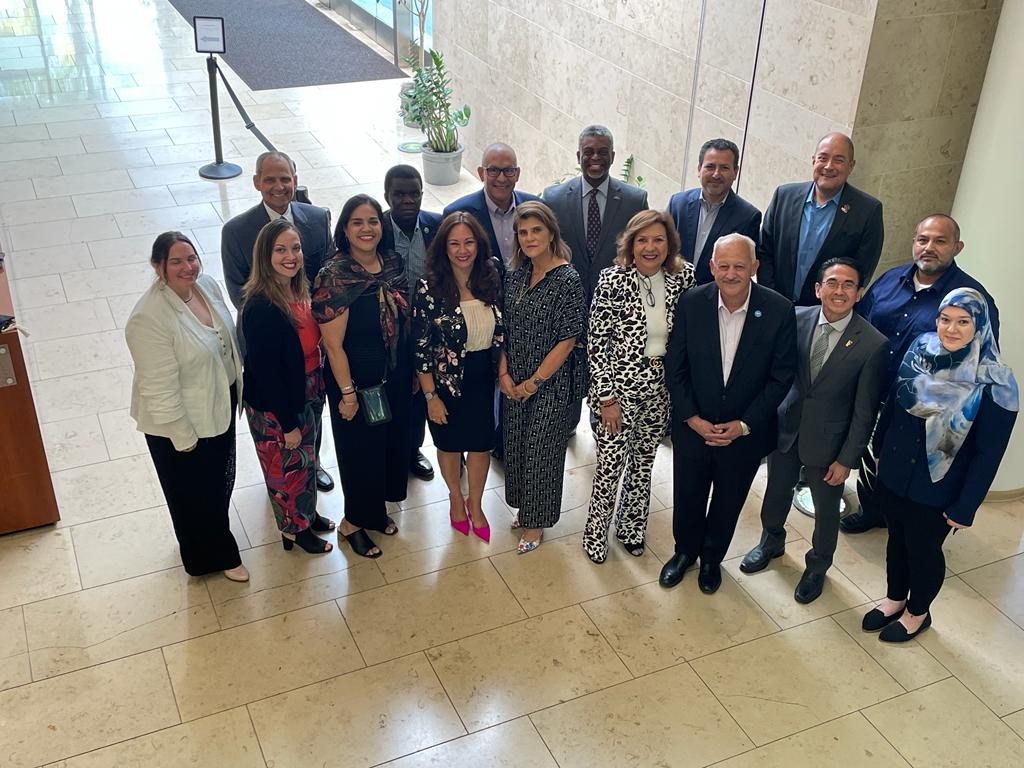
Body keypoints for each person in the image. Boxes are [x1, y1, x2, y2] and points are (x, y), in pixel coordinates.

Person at [862, 288, 1017, 642]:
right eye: (945, 319)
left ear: (980, 325)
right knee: (896, 539)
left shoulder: (996, 380)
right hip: (896, 471)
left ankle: (918, 612)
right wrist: (878, 451)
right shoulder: (920, 347)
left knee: (923, 550)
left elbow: (988, 453)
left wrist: (966, 506)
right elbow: (894, 404)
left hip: (940, 484)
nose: (951, 329)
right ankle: (894, 598)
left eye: (963, 321)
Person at [841, 214, 1001, 534]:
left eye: (940, 241)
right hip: (872, 390)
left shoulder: (972, 299)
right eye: (922, 240)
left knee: (904, 467)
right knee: (869, 454)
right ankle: (872, 510)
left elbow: (981, 363)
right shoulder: (889, 280)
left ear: (957, 246)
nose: (929, 247)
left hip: (924, 409)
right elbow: (858, 326)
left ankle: (899, 523)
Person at [740, 258, 888, 603]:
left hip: (831, 445)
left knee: (826, 513)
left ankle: (818, 566)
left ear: (859, 292)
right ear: (818, 289)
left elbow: (865, 411)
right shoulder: (795, 318)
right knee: (775, 496)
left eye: (848, 284)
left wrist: (847, 458)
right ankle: (770, 543)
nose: (839, 291)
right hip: (786, 432)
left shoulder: (871, 343)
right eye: (832, 283)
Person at [660, 233, 797, 593]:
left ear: (754, 267)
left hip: (745, 435)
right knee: (687, 495)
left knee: (728, 501)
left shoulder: (780, 310)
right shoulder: (691, 302)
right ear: (712, 267)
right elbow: (676, 367)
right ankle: (684, 553)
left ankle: (711, 561)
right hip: (694, 426)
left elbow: (781, 377)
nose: (731, 273)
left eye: (740, 266)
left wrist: (744, 424)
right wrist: (692, 418)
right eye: (724, 265)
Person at [126, 232, 248, 582]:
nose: (188, 267)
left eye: (191, 258)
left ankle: (207, 541)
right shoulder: (148, 318)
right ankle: (214, 556)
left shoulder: (205, 285)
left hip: (216, 404)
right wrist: (184, 438)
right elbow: (158, 388)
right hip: (181, 424)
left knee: (217, 482)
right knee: (194, 495)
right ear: (157, 267)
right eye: (176, 261)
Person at [582, 210, 695, 563]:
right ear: (631, 244)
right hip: (617, 392)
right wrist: (606, 398)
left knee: (644, 463)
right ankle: (594, 535)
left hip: (661, 392)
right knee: (610, 465)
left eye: (658, 239)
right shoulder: (612, 280)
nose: (650, 247)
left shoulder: (684, 277)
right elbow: (596, 343)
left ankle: (631, 529)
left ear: (669, 244)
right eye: (642, 240)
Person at [220, 150, 336, 492]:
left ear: (295, 181)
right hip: (272, 344)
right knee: (282, 422)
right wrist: (288, 320)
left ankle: (313, 464)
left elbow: (327, 278)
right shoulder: (236, 231)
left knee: (313, 415)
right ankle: (288, 496)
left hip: (312, 346)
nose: (278, 186)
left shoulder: (317, 219)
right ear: (256, 182)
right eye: (269, 179)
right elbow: (239, 292)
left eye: (285, 178)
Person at [314, 195, 410, 559]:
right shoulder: (335, 275)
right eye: (357, 222)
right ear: (344, 229)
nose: (366, 229)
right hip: (355, 381)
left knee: (386, 449)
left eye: (372, 221)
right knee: (359, 454)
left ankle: (374, 512)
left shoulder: (392, 262)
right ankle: (353, 521)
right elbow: (333, 345)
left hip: (394, 374)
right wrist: (348, 393)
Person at [543, 124, 648, 432]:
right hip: (567, 304)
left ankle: (599, 415)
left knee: (604, 364)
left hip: (615, 307)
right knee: (569, 363)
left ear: (613, 156)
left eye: (603, 152)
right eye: (588, 152)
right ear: (578, 155)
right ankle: (569, 419)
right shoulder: (554, 196)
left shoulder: (634, 199)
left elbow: (640, 253)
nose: (595, 158)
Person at [240, 219, 334, 555]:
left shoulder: (298, 290)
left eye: (294, 248)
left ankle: (306, 514)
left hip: (307, 386)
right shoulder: (261, 307)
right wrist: (288, 423)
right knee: (286, 470)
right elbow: (268, 375)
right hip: (276, 404)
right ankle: (295, 531)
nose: (290, 256)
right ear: (264, 256)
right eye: (280, 250)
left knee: (307, 461)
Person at [500, 201, 586, 553]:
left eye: (537, 230)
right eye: (523, 232)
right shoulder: (516, 274)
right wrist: (504, 373)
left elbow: (568, 340)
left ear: (551, 233)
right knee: (518, 447)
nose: (530, 237)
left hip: (550, 383)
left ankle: (536, 524)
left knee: (542, 452)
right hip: (513, 376)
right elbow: (503, 327)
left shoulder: (568, 279)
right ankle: (526, 508)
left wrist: (533, 382)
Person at [413, 212, 504, 542]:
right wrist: (430, 397)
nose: (462, 250)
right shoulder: (430, 287)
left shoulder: (492, 275)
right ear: (443, 247)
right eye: (454, 243)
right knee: (450, 446)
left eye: (468, 242)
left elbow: (503, 331)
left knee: (480, 447)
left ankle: (475, 504)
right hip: (443, 383)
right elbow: (420, 347)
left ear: (479, 245)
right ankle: (455, 498)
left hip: (483, 378)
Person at [757, 132, 883, 306]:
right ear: (813, 161)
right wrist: (770, 298)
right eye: (823, 158)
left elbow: (861, 271)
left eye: (838, 160)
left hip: (823, 314)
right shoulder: (784, 196)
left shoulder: (868, 211)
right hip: (775, 306)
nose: (828, 166)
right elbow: (765, 251)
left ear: (851, 166)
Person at [377, 164, 442, 482]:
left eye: (414, 193)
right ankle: (391, 452)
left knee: (421, 395)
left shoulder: (435, 225)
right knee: (395, 393)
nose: (407, 200)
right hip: (388, 334)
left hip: (426, 331)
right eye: (399, 193)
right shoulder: (376, 231)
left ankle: (414, 449)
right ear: (387, 195)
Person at [667, 138, 761, 285]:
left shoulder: (748, 217)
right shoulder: (678, 204)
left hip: (711, 300)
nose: (716, 174)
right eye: (710, 167)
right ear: (699, 169)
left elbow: (741, 271)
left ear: (735, 172)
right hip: (671, 293)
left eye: (724, 168)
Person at [443, 142, 541, 275]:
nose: (501, 178)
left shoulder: (536, 207)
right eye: (493, 170)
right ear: (481, 173)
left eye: (508, 170)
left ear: (517, 174)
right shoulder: (459, 212)